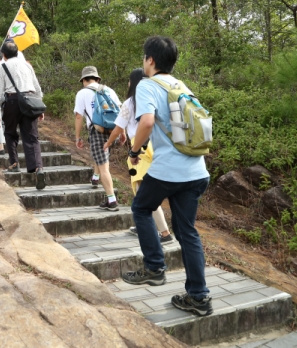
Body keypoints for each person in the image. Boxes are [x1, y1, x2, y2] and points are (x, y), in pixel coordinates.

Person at [120, 36, 212, 317]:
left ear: (150, 60)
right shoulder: (181, 85)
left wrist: (135, 150)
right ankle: (198, 296)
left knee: (141, 207)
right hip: (197, 169)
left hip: (170, 170)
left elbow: (146, 121)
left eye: (144, 57)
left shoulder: (148, 85)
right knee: (187, 232)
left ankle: (154, 267)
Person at [103, 69, 174, 243]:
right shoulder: (155, 98)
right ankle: (142, 223)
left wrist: (107, 143)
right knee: (143, 191)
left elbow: (117, 128)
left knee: (145, 191)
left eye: (129, 81)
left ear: (132, 83)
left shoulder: (129, 103)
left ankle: (165, 234)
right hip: (157, 145)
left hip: (140, 148)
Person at [0, 41, 45, 190]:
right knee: (32, 137)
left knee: (10, 133)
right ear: (17, 52)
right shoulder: (28, 66)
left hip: (12, 101)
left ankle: (14, 163)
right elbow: (37, 88)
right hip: (29, 101)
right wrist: (39, 108)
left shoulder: (3, 67)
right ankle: (38, 168)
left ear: (3, 55)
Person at [73, 66, 122, 211]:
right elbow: (121, 111)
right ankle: (95, 177)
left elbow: (78, 116)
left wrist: (77, 137)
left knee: (104, 166)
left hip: (97, 131)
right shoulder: (109, 90)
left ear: (84, 80)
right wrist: (122, 132)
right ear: (97, 78)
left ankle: (112, 200)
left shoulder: (82, 93)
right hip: (113, 130)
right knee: (100, 157)